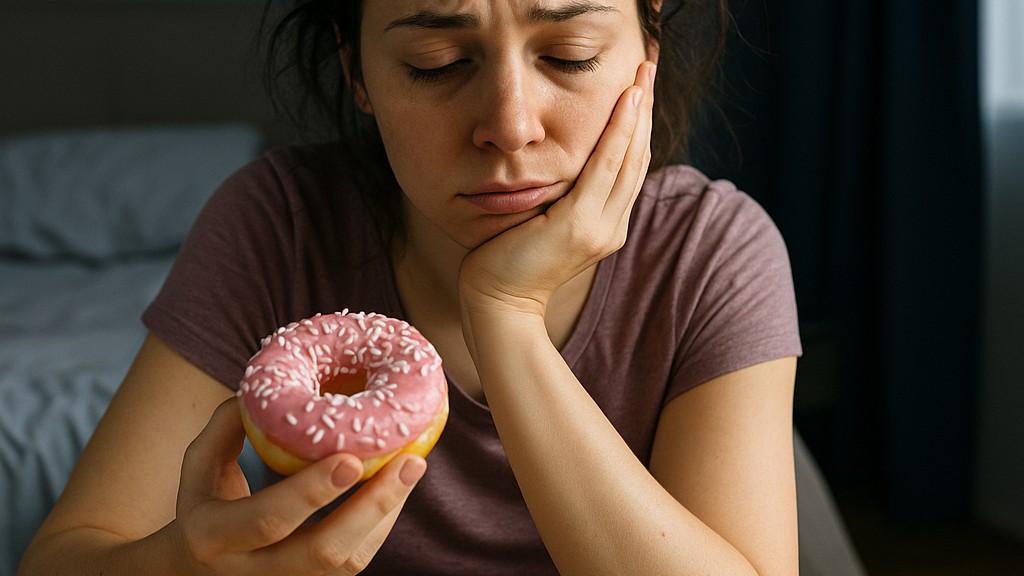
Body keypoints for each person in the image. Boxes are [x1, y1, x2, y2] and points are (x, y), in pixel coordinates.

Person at [19, 0, 802, 574]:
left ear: (647, 45)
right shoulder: (280, 225)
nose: (510, 123)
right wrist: (184, 563)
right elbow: (63, 556)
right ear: (356, 70)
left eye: (568, 53)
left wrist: (505, 314)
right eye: (438, 63)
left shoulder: (712, 252)